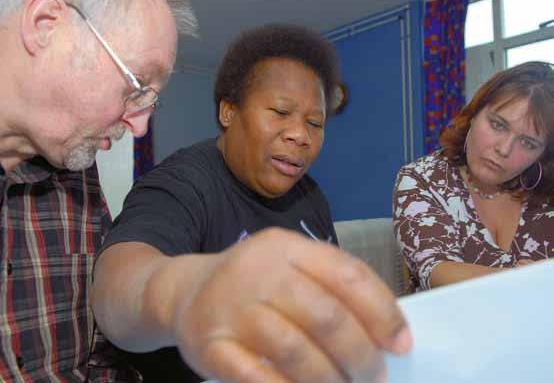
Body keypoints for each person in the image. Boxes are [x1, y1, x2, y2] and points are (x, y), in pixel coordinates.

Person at [92, 24, 413, 383]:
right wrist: (194, 291)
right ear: (228, 112)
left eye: (314, 122)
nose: (300, 135)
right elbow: (115, 291)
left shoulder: (311, 196)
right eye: (279, 111)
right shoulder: (181, 185)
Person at [0, 0, 197, 381]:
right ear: (44, 25)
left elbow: (100, 357)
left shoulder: (76, 171)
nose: (140, 126)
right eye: (136, 85)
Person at [393, 61, 554, 292]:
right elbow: (434, 270)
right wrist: (522, 280)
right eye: (498, 125)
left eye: (528, 143)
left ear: (541, 155)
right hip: (445, 325)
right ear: (473, 115)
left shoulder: (547, 196)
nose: (504, 149)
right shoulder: (423, 178)